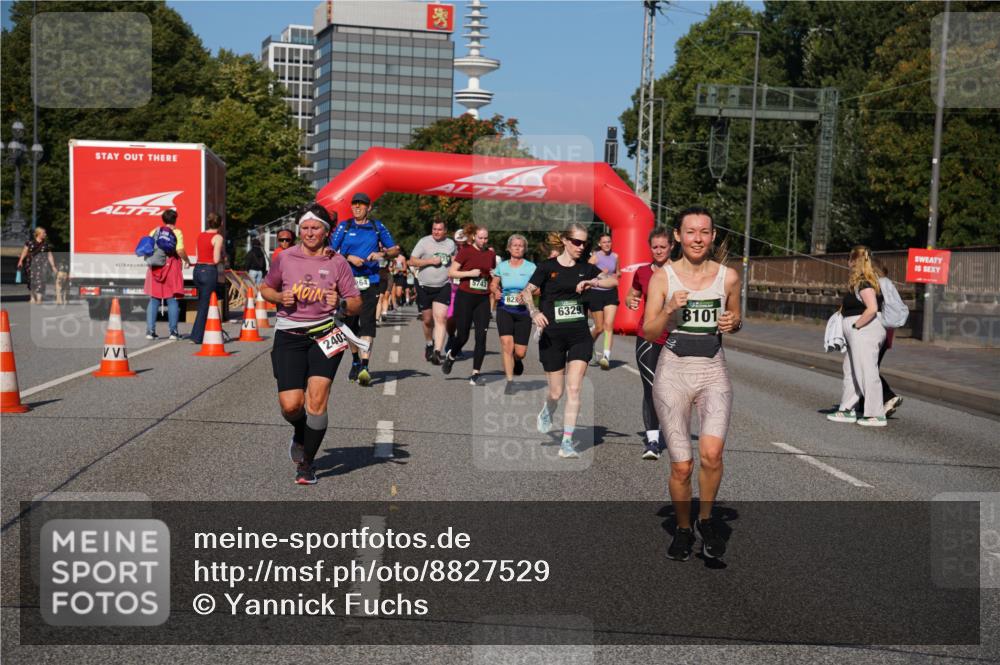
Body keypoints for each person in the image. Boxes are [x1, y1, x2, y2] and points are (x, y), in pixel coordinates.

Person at [643, 206, 741, 561]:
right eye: (690, 232)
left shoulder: (728, 277)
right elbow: (648, 330)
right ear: (678, 237)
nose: (697, 238)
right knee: (682, 465)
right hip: (673, 373)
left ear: (712, 236)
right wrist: (669, 309)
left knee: (712, 454)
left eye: (704, 232)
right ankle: (683, 529)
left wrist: (733, 322)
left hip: (713, 370)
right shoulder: (663, 278)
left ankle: (706, 520)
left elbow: (736, 318)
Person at [260, 204, 362, 485]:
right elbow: (266, 288)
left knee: (317, 399)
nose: (309, 233)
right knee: (291, 405)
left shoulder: (337, 262)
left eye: (315, 227)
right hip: (289, 335)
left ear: (326, 231)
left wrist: (340, 303)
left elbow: (356, 303)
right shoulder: (285, 258)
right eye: (304, 228)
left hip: (327, 334)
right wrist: (280, 298)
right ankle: (300, 431)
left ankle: (307, 464)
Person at [521, 223, 617, 459]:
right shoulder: (547, 267)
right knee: (557, 392)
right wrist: (534, 313)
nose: (581, 246)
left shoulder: (587, 268)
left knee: (574, 389)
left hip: (579, 335)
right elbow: (526, 292)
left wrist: (592, 282)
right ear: (565, 241)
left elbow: (613, 281)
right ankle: (549, 408)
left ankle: (566, 443)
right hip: (552, 335)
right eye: (576, 242)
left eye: (584, 243)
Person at [329, 192, 399, 386]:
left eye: (361, 204)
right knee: (350, 325)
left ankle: (365, 366)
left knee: (367, 323)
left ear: (369, 207)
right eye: (354, 204)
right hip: (347, 282)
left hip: (371, 281)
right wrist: (348, 257)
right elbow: (331, 252)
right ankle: (355, 359)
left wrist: (381, 253)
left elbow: (395, 249)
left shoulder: (377, 227)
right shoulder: (345, 226)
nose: (357, 207)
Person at [624, 226, 673, 460]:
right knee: (651, 388)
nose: (659, 250)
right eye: (655, 247)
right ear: (650, 248)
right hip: (648, 336)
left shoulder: (680, 272)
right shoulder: (643, 272)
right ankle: (652, 442)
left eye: (664, 247)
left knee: (674, 390)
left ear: (672, 247)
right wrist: (631, 302)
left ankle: (674, 434)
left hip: (676, 337)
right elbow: (631, 295)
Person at [827, 245, 887, 427]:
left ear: (855, 261)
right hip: (860, 331)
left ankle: (876, 414)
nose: (847, 263)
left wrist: (855, 325)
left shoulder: (864, 282)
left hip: (865, 330)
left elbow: (872, 308)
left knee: (866, 371)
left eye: (849, 259)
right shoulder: (859, 282)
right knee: (851, 371)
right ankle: (847, 409)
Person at [442, 224, 496, 386]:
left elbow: (491, 274)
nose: (483, 241)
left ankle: (475, 374)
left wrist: (493, 276)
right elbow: (451, 272)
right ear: (474, 237)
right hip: (465, 297)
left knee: (481, 336)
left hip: (483, 298)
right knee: (463, 336)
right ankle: (451, 356)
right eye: (480, 238)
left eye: (486, 238)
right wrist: (469, 273)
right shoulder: (465, 251)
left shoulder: (491, 254)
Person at [491, 234, 536, 395]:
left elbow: (539, 288)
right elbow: (494, 284)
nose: (517, 248)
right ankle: (510, 381)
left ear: (524, 249)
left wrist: (527, 293)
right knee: (506, 344)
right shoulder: (502, 267)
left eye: (521, 245)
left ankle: (517, 361)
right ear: (509, 248)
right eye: (515, 245)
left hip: (523, 311)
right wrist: (495, 291)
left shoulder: (531, 267)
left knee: (520, 352)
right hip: (505, 309)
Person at [410, 220, 457, 364]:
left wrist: (453, 266)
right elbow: (412, 261)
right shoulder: (424, 242)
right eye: (434, 229)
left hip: (443, 286)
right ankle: (429, 343)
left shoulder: (450, 244)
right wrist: (430, 261)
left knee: (441, 318)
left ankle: (437, 352)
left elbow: (456, 258)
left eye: (439, 229)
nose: (436, 231)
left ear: (445, 231)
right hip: (424, 286)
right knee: (428, 320)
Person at [144, 209, 191, 340]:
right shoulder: (176, 232)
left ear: (163, 220)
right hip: (171, 267)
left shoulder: (154, 231)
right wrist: (187, 260)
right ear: (175, 219)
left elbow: (149, 248)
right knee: (172, 299)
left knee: (154, 299)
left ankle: (150, 331)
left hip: (155, 267)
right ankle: (173, 332)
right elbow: (179, 250)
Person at [189, 213, 225, 345]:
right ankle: (196, 337)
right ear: (220, 224)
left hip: (197, 270)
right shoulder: (218, 237)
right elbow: (215, 259)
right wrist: (222, 256)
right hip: (209, 271)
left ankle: (208, 331)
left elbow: (198, 254)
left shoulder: (201, 235)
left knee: (204, 302)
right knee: (205, 305)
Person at [588, 233, 621, 370]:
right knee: (599, 327)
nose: (607, 244)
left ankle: (606, 357)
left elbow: (618, 272)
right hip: (596, 293)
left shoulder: (615, 256)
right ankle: (589, 343)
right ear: (600, 244)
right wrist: (600, 273)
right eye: (604, 242)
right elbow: (586, 272)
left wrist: (615, 275)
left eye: (609, 242)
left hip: (611, 293)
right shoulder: (595, 257)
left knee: (609, 324)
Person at [17, 226, 57, 304]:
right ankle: (32, 298)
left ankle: (39, 299)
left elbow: (49, 255)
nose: (45, 234)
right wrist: (20, 261)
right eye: (44, 233)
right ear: (38, 234)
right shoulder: (29, 242)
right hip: (30, 265)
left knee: (41, 281)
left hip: (42, 265)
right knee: (31, 281)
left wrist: (53, 266)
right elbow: (24, 252)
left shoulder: (46, 244)